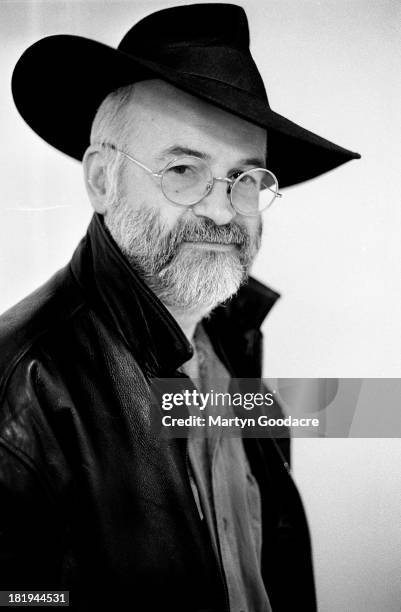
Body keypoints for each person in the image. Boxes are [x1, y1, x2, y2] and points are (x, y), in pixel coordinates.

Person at [0, 4, 360, 611]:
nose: (223, 210)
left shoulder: (230, 340)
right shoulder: (22, 388)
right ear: (101, 180)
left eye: (245, 178)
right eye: (183, 169)